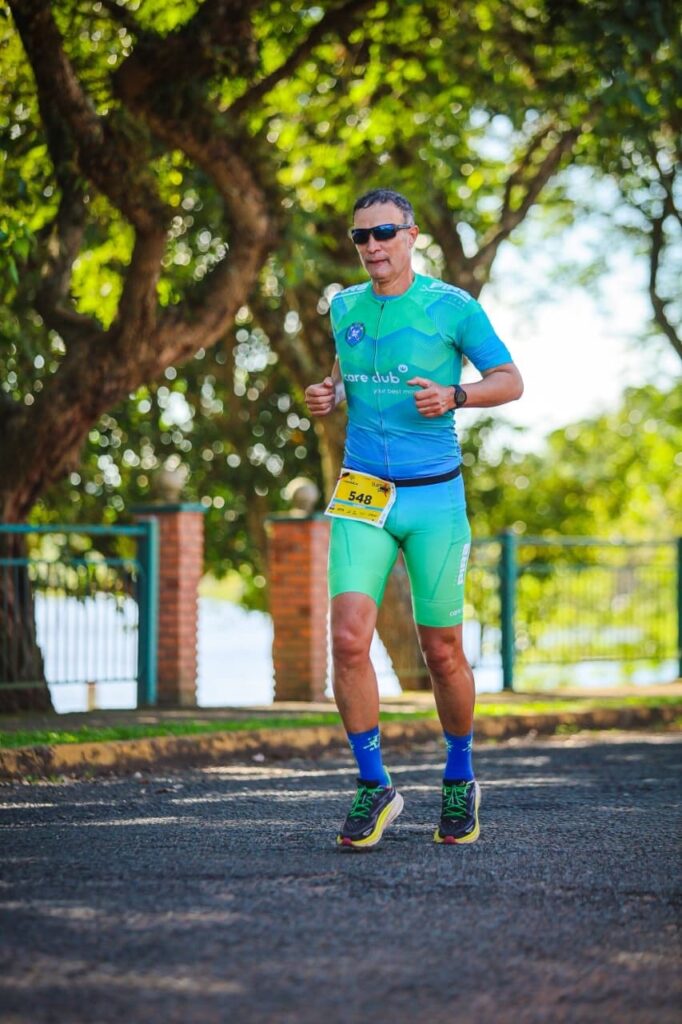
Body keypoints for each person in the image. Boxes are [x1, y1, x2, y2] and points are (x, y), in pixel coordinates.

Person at [305, 188, 523, 849]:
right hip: (363, 492)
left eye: (383, 233)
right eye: (360, 237)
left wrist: (457, 394)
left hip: (434, 497)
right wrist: (329, 392)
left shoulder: (451, 307)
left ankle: (459, 777)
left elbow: (510, 380)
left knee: (443, 651)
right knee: (346, 639)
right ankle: (375, 787)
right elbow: (348, 373)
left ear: (411, 236)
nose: (371, 245)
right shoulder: (343, 306)